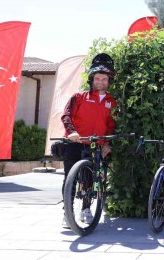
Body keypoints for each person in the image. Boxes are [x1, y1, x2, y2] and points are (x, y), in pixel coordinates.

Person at [60, 53, 117, 228]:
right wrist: (72, 132)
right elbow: (66, 115)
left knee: (91, 179)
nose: (100, 82)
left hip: (96, 144)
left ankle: (86, 208)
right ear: (92, 79)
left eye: (104, 79)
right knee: (70, 178)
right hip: (76, 142)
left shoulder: (111, 102)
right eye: (97, 78)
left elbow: (110, 124)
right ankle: (67, 212)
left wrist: (107, 142)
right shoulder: (79, 97)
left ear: (108, 81)